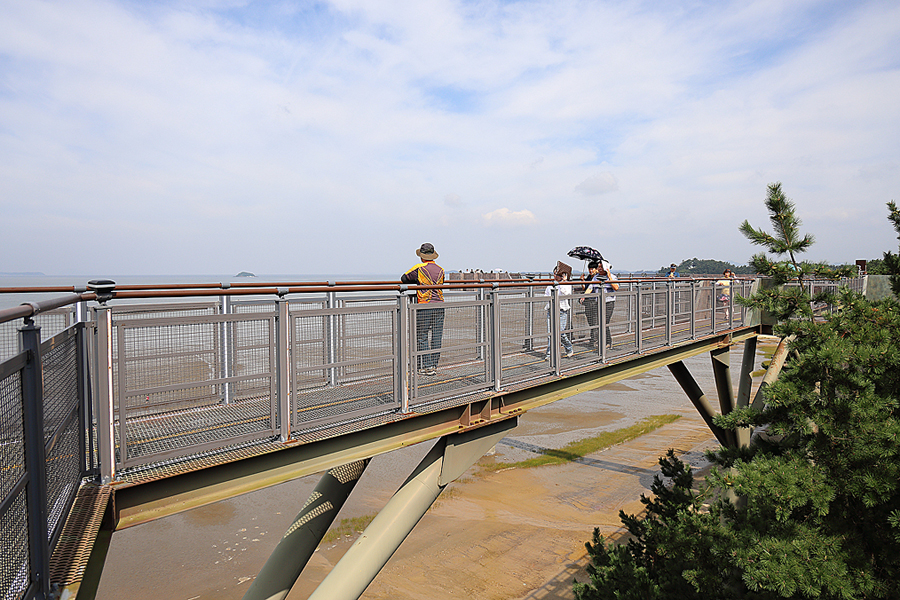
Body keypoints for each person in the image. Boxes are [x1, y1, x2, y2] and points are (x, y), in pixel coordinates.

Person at [401, 243, 445, 376]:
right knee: (437, 336)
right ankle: (434, 365)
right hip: (439, 304)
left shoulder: (419, 268)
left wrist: (419, 283)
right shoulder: (441, 269)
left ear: (422, 256)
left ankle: (427, 366)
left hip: (425, 304)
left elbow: (404, 278)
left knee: (422, 335)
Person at [544, 262, 574, 360]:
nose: (555, 276)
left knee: (560, 333)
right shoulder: (550, 285)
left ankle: (569, 347)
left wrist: (563, 282)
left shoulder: (566, 284)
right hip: (551, 311)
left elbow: (566, 293)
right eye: (554, 273)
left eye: (558, 274)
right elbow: (546, 296)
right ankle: (549, 354)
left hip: (562, 311)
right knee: (550, 333)